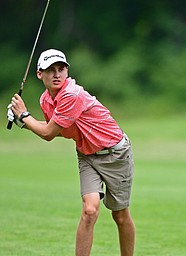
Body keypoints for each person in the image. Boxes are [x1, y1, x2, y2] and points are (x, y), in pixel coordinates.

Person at [7, 49, 135, 256]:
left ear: (67, 71)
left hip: (115, 153)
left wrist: (23, 116)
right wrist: (24, 121)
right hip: (87, 154)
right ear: (40, 74)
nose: (57, 74)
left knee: (120, 216)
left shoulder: (71, 94)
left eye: (61, 69)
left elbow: (48, 133)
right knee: (90, 210)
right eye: (50, 70)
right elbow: (59, 130)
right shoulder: (46, 100)